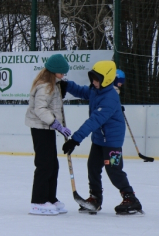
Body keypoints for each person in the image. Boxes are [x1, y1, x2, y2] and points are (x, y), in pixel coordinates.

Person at [61, 61, 143, 215]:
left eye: (96, 79)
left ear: (106, 79)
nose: (93, 82)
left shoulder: (110, 98)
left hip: (112, 141)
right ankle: (95, 198)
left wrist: (75, 139)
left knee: (113, 170)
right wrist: (67, 85)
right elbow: (83, 91)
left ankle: (130, 198)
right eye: (92, 78)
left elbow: (94, 120)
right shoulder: (96, 90)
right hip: (99, 139)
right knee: (93, 167)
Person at [24, 54, 71, 215]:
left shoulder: (54, 85)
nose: (63, 75)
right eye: (62, 72)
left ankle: (50, 197)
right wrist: (56, 124)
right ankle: (38, 201)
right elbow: (40, 109)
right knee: (44, 165)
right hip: (40, 128)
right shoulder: (44, 86)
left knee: (53, 164)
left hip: (48, 128)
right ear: (54, 71)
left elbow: (55, 106)